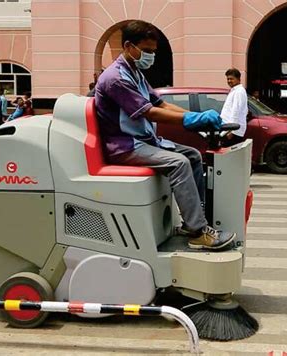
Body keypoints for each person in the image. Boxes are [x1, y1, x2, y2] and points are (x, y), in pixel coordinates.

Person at [95, 20, 235, 250]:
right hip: (125, 146)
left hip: (143, 141)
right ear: (129, 46)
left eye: (153, 51)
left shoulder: (136, 74)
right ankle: (199, 232)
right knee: (179, 163)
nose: (151, 56)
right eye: (147, 51)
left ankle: (194, 221)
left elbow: (160, 103)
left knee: (192, 155)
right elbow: (150, 112)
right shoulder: (116, 78)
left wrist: (194, 116)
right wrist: (190, 120)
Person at [220, 68, 248, 147]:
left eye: (231, 79)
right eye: (228, 79)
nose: (229, 81)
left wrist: (231, 130)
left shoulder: (239, 91)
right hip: (228, 128)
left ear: (238, 79)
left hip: (232, 130)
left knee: (229, 156)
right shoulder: (234, 91)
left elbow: (236, 111)